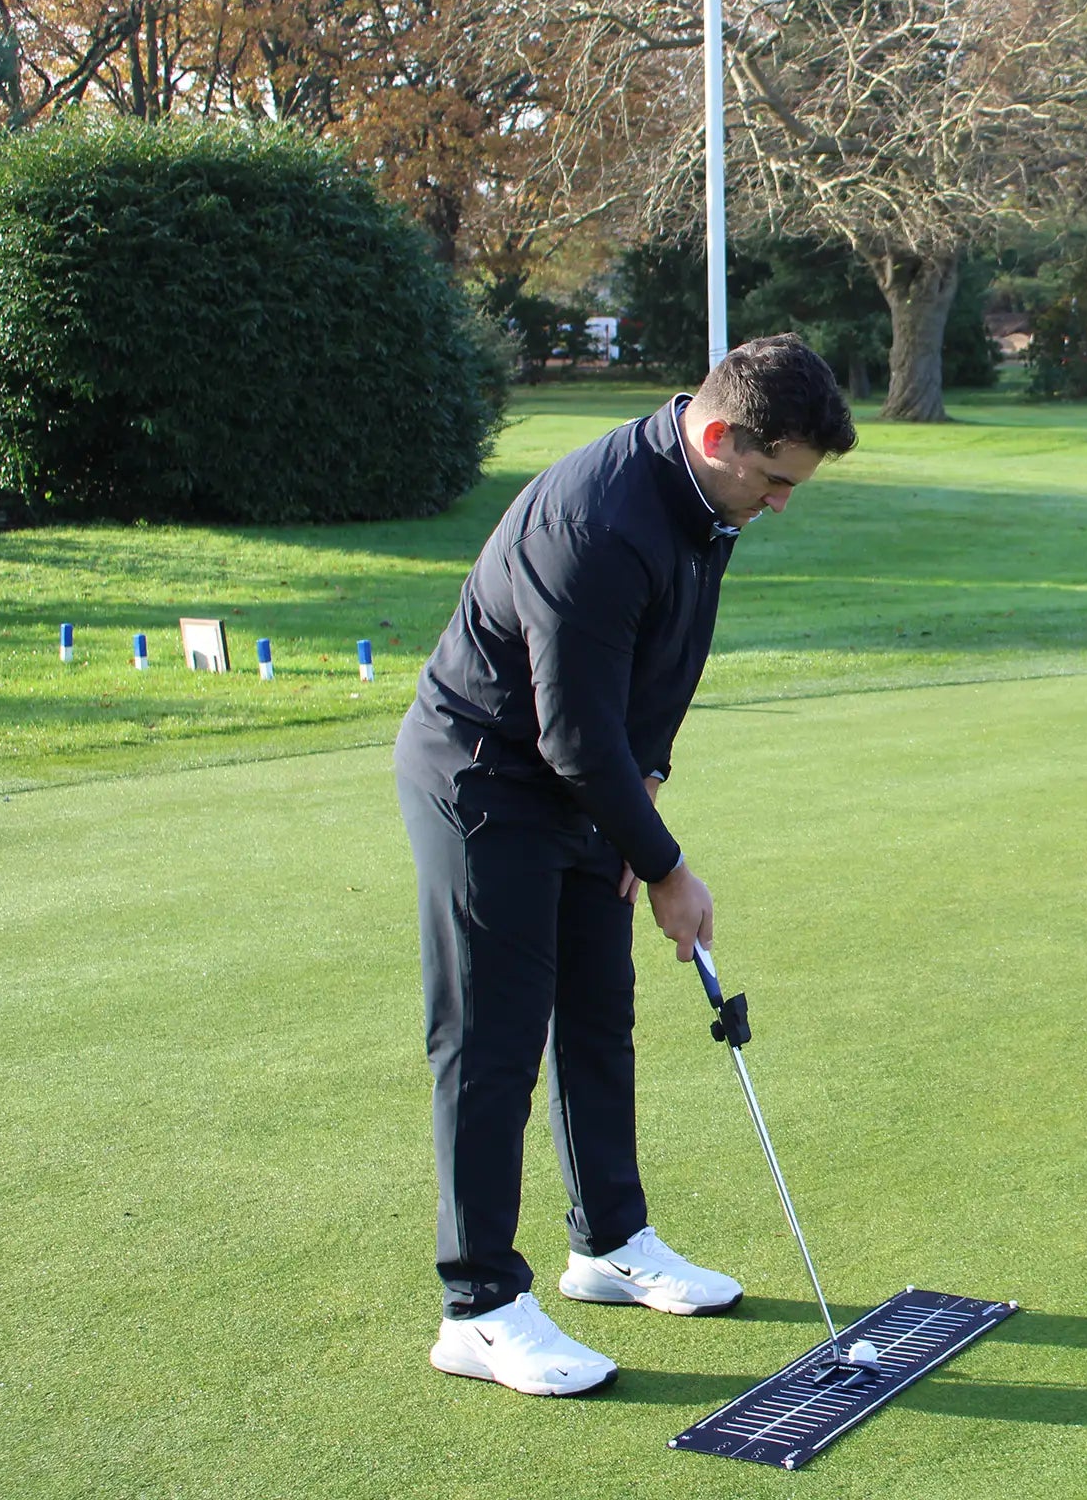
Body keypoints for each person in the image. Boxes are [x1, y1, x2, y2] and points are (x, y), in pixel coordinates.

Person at [393, 334, 857, 1395]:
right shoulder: (598, 520)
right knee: (493, 1041)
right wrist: (663, 865)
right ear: (716, 433)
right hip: (485, 780)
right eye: (775, 478)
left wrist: (641, 787)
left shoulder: (709, 502)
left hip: (585, 779)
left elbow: (658, 668)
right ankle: (479, 1306)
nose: (782, 502)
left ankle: (608, 1244)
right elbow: (567, 732)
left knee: (599, 1012)